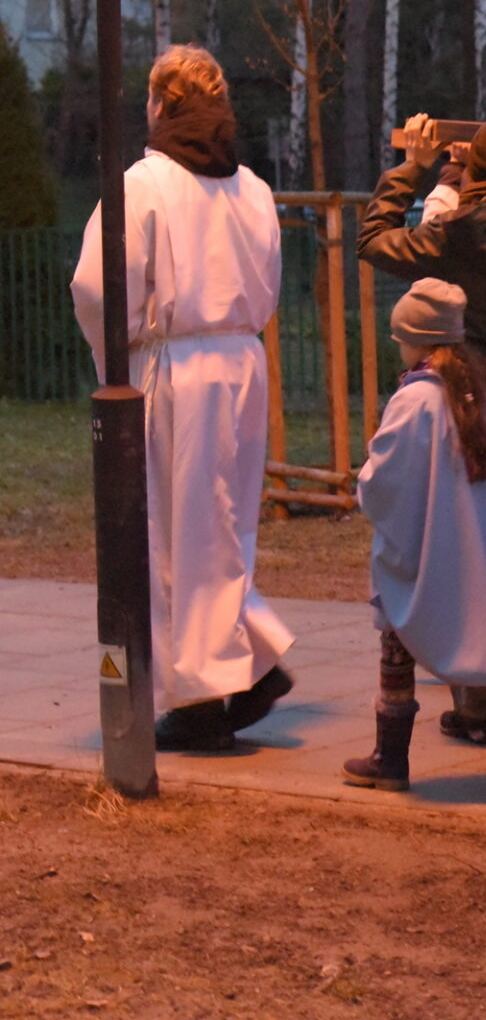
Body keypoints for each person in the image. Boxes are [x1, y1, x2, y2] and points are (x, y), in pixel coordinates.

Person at [72, 44, 294, 753]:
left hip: (176, 367)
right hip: (241, 361)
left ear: (160, 104)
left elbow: (96, 286)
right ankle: (247, 660)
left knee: (174, 533)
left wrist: (120, 352)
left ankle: (201, 697)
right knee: (225, 526)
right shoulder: (253, 188)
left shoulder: (145, 185)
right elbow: (269, 279)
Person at [359, 113, 486, 743]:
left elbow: (375, 240)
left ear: (475, 165)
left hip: (460, 393)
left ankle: (476, 701)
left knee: (451, 550)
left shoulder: (458, 231)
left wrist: (414, 170)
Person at [344, 281, 486, 799]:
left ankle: (390, 758)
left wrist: (365, 479)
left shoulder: (416, 400)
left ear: (417, 339)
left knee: (398, 639)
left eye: (400, 338)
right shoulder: (470, 391)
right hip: (471, 548)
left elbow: (386, 480)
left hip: (431, 551)